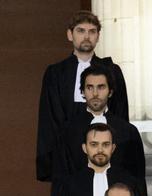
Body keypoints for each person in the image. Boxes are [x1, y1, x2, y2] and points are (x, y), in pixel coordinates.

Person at [36, 11, 129, 182]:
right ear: (70, 35)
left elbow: (120, 113)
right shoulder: (55, 74)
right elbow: (50, 119)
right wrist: (52, 161)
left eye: (92, 31)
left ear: (98, 36)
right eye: (81, 31)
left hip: (104, 153)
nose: (87, 36)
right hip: (67, 155)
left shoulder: (112, 71)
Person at [52, 64, 145, 186]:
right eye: (90, 88)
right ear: (82, 92)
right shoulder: (67, 131)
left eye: (101, 87)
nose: (95, 94)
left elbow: (137, 179)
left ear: (110, 92)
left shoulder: (129, 132)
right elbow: (60, 179)